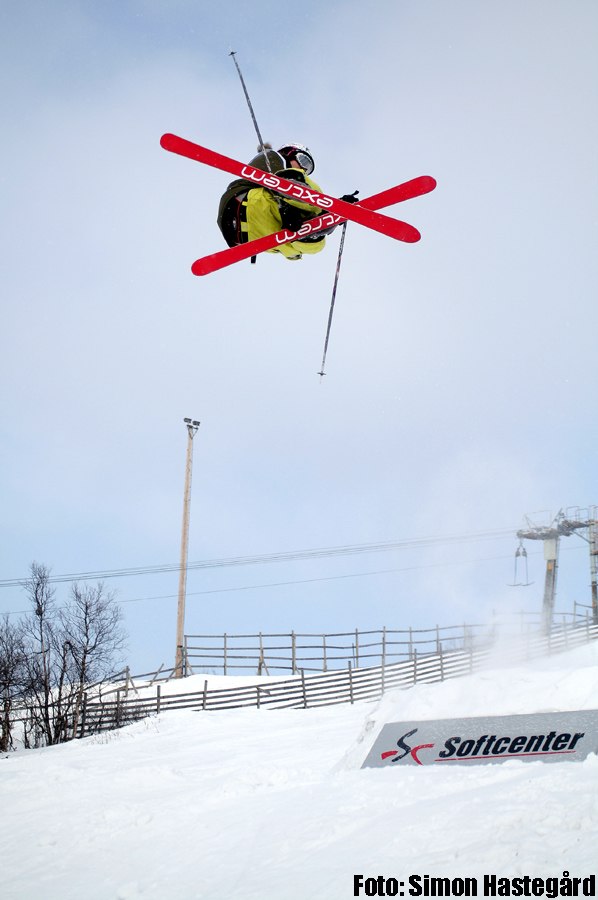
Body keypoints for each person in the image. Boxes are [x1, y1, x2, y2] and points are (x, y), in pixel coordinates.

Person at [217, 142, 358, 261]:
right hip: (241, 203)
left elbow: (293, 257)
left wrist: (335, 210)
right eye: (303, 161)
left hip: (250, 235)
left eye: (307, 168)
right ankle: (322, 215)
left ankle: (313, 231)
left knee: (318, 245)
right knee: (310, 189)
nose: (304, 169)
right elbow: (264, 175)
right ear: (288, 153)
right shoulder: (274, 158)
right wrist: (286, 208)